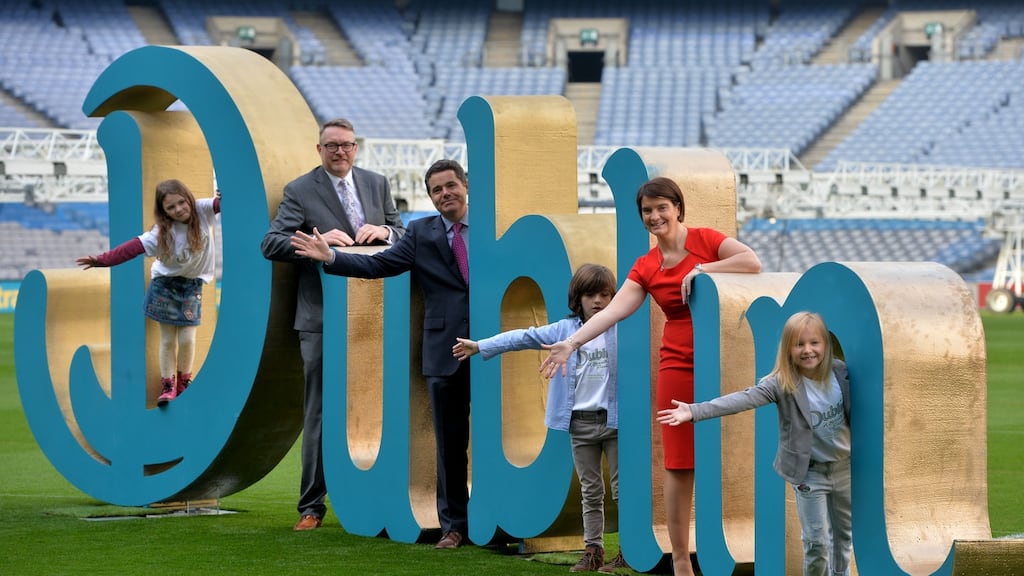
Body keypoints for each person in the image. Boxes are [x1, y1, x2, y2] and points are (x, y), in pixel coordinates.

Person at [540, 176, 762, 576]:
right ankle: (680, 558)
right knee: (678, 461)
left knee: (731, 450)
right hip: (676, 363)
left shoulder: (707, 240)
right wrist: (571, 343)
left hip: (724, 358)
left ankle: (739, 538)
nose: (655, 215)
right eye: (647, 210)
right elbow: (611, 312)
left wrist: (703, 271)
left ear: (678, 208)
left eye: (662, 207)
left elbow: (752, 262)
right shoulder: (646, 266)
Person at [289, 159, 471, 549]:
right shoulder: (422, 233)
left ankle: (499, 519)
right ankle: (455, 526)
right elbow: (380, 265)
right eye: (437, 190)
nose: (445, 194)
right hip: (445, 351)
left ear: (466, 185)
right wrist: (332, 258)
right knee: (450, 445)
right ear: (430, 197)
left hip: (493, 349)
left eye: (451, 185)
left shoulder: (492, 227)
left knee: (494, 438)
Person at [260, 118, 407, 532]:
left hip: (376, 317)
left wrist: (387, 231)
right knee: (321, 411)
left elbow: (399, 232)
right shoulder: (300, 189)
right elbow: (271, 242)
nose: (339, 152)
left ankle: (382, 497)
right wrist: (316, 240)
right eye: (331, 146)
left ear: (356, 148)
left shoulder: (377, 183)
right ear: (319, 149)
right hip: (322, 317)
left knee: (383, 408)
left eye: (346, 145)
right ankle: (311, 507)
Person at [453, 263, 631, 573]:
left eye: (605, 294)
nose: (598, 301)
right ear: (578, 298)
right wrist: (481, 345)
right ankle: (594, 551)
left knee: (621, 489)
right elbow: (524, 336)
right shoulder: (564, 330)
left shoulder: (620, 327)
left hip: (615, 421)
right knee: (591, 491)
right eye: (591, 295)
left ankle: (630, 550)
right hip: (580, 423)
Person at [657, 311, 851, 576]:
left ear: (825, 345)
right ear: (788, 349)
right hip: (810, 473)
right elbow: (741, 399)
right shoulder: (782, 383)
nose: (808, 350)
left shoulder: (842, 374)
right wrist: (694, 411)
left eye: (814, 343)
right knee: (817, 542)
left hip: (844, 469)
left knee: (843, 538)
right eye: (799, 344)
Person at [76, 178, 220, 406]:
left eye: (182, 202)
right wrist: (100, 261)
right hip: (165, 285)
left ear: (189, 199)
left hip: (192, 285)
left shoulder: (202, 211)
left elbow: (221, 204)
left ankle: (184, 382)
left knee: (187, 338)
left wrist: (225, 192)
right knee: (167, 340)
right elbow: (130, 249)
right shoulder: (161, 233)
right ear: (163, 211)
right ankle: (168, 386)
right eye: (170, 207)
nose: (179, 209)